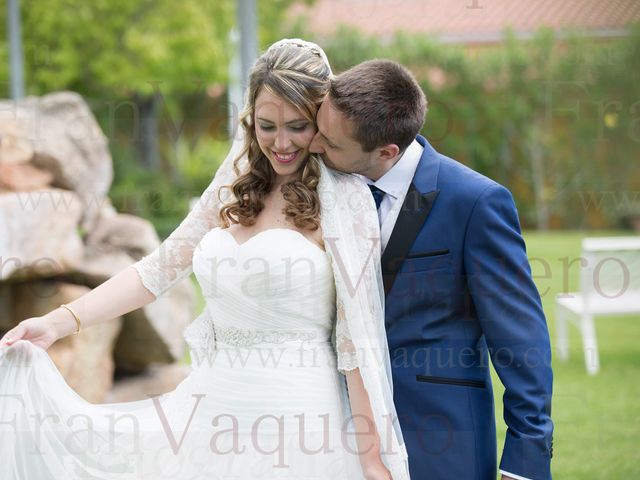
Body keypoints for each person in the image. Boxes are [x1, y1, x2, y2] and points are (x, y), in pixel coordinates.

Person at [0, 41, 410, 480]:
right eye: (267, 126)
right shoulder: (233, 189)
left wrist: (370, 459)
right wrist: (58, 321)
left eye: (298, 126)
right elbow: (155, 271)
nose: (282, 143)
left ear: (321, 121)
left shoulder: (346, 201)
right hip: (213, 409)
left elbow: (356, 340)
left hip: (301, 417)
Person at [309, 59, 554, 480]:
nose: (313, 145)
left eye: (329, 142)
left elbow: (520, 339)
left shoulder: (475, 203)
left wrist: (525, 461)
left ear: (386, 152)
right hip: (334, 432)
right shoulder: (318, 187)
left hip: (441, 439)